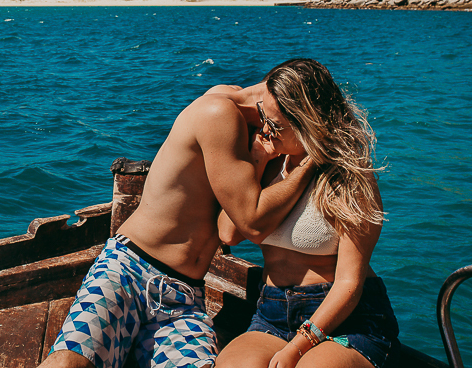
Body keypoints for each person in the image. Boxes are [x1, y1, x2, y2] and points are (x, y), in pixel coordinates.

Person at [41, 59, 335, 368]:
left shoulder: (264, 138)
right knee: (69, 362)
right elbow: (252, 222)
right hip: (128, 268)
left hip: (182, 295)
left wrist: (261, 159)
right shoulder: (219, 113)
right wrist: (312, 160)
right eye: (305, 132)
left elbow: (231, 232)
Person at [216, 61, 399, 368]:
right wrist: (257, 163)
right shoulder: (269, 157)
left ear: (307, 123)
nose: (264, 129)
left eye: (275, 125)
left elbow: (349, 283)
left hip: (345, 320)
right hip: (272, 313)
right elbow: (229, 233)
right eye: (263, 116)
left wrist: (298, 346)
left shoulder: (349, 178)